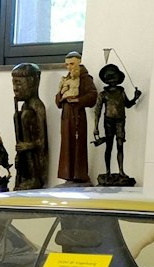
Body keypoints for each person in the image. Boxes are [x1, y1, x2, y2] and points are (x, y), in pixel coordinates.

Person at [92, 62, 143, 185]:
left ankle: (121, 171)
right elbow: (97, 111)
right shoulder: (103, 94)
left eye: (114, 77)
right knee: (109, 147)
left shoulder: (121, 91)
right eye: (109, 77)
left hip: (120, 121)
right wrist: (95, 127)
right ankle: (108, 171)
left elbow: (127, 105)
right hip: (108, 121)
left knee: (120, 145)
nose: (112, 80)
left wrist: (135, 98)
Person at [55, 51, 99, 184]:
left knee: (77, 144)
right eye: (67, 64)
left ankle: (79, 174)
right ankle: (68, 174)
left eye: (72, 63)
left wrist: (78, 101)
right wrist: (61, 95)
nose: (69, 67)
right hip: (66, 116)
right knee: (66, 145)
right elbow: (58, 101)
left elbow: (92, 96)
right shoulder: (66, 79)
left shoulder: (85, 79)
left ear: (79, 63)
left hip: (77, 116)